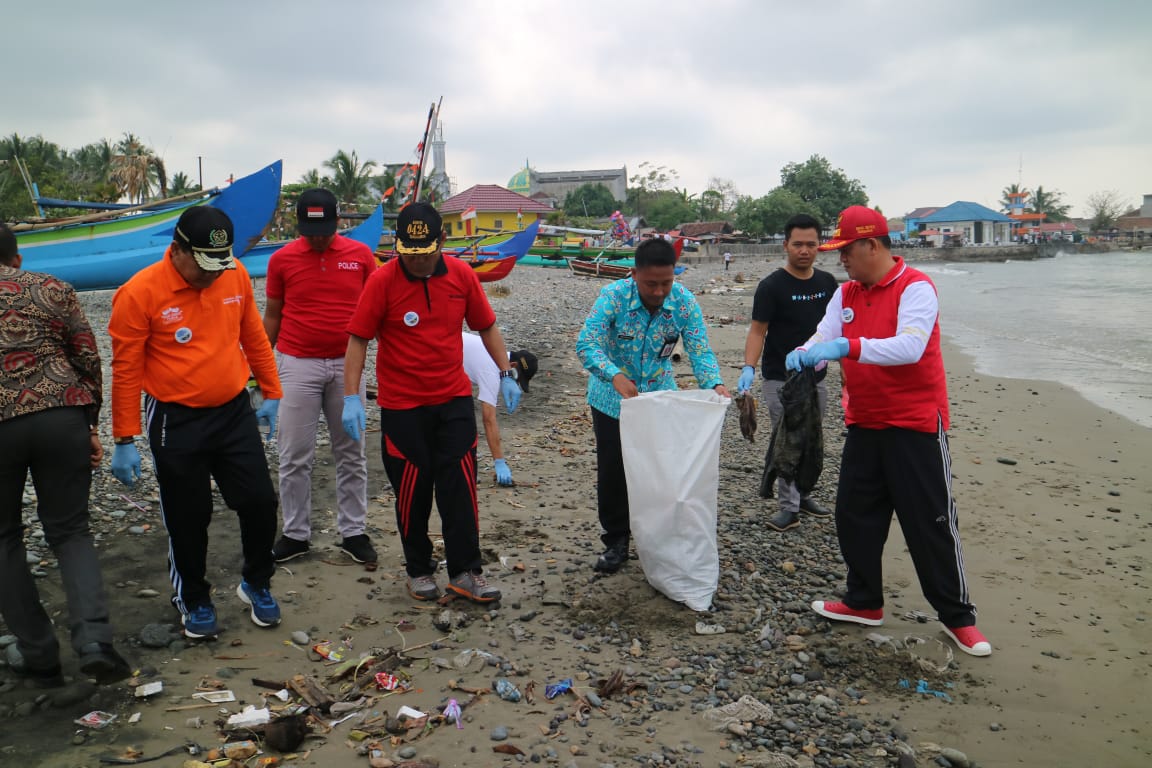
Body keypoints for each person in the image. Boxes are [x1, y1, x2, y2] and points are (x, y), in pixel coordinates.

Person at [787, 205, 991, 657]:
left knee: (931, 522)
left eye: (846, 251)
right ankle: (864, 601)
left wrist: (847, 346)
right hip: (865, 421)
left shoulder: (917, 288)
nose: (840, 260)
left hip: (915, 424)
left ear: (871, 246)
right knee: (854, 515)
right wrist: (805, 352)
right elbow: (823, 335)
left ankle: (959, 618)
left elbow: (910, 346)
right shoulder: (846, 295)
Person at [108, 206, 283, 640]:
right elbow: (126, 369)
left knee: (259, 501)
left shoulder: (233, 274)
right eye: (203, 265)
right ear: (177, 251)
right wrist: (124, 437)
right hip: (175, 416)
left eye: (218, 265)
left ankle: (256, 582)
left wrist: (271, 390)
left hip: (232, 409)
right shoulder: (139, 293)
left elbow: (254, 336)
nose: (211, 275)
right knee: (189, 516)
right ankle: (194, 597)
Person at [341, 203, 521, 604]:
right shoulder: (382, 281)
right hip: (402, 406)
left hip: (452, 399)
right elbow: (358, 339)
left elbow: (486, 325)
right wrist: (351, 396)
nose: (418, 261)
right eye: (409, 252)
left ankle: (465, 571)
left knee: (459, 487)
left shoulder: (461, 276)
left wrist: (506, 372)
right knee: (413, 491)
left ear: (441, 241)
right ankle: (419, 569)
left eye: (425, 251)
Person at [0, 224, 131, 686]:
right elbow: (87, 358)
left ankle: (38, 654)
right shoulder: (52, 288)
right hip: (60, 414)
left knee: (3, 539)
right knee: (71, 530)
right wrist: (90, 424)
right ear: (15, 259)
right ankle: (95, 642)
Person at [576, 237, 730, 573]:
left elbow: (700, 350)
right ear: (634, 274)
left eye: (666, 283)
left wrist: (714, 384)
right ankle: (616, 541)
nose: (659, 291)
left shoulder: (684, 302)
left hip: (659, 399)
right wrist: (614, 376)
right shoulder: (613, 297)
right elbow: (587, 344)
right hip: (612, 402)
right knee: (614, 472)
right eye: (651, 284)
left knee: (661, 471)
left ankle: (658, 539)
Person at [262, 189, 377, 565]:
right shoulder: (281, 260)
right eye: (311, 231)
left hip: (348, 365)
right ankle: (296, 534)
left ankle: (353, 531)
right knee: (294, 454)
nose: (318, 238)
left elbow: (376, 310)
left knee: (351, 452)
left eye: (325, 230)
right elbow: (273, 316)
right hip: (297, 364)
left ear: (338, 222)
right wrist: (260, 375)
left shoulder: (360, 256)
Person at [737, 213, 839, 531]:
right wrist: (748, 368)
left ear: (819, 246)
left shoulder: (827, 284)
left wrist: (847, 371)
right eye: (798, 244)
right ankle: (788, 507)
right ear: (786, 245)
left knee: (810, 438)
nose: (804, 250)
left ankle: (803, 495)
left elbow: (837, 331)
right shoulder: (771, 287)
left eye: (811, 244)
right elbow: (757, 331)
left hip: (816, 377)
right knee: (788, 439)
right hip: (780, 378)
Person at [461, 332, 538, 487]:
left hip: (443, 355)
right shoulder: (492, 370)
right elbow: (488, 420)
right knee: (462, 423)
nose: (516, 384)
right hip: (428, 358)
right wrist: (499, 461)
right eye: (517, 380)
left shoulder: (495, 352)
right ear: (513, 367)